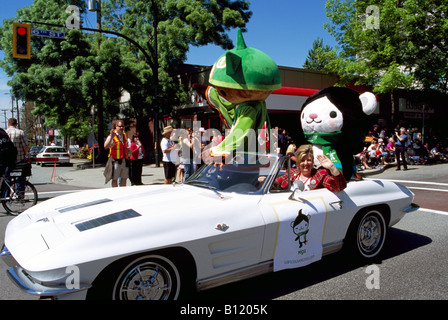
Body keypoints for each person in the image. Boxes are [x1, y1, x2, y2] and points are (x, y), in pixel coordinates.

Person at [271, 144, 346, 192]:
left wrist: (332, 168)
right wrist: (263, 180)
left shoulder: (320, 175)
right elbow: (273, 184)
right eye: (302, 160)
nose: (306, 163)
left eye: (309, 160)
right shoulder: (291, 173)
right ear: (298, 162)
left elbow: (339, 187)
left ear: (312, 162)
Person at [104, 120, 130, 187]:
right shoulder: (112, 136)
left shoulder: (124, 135)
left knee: (124, 178)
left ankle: (122, 192)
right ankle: (115, 192)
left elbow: (127, 146)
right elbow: (105, 146)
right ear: (116, 126)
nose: (121, 128)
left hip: (124, 159)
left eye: (122, 126)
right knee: (115, 179)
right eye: (120, 126)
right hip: (116, 160)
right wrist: (111, 138)